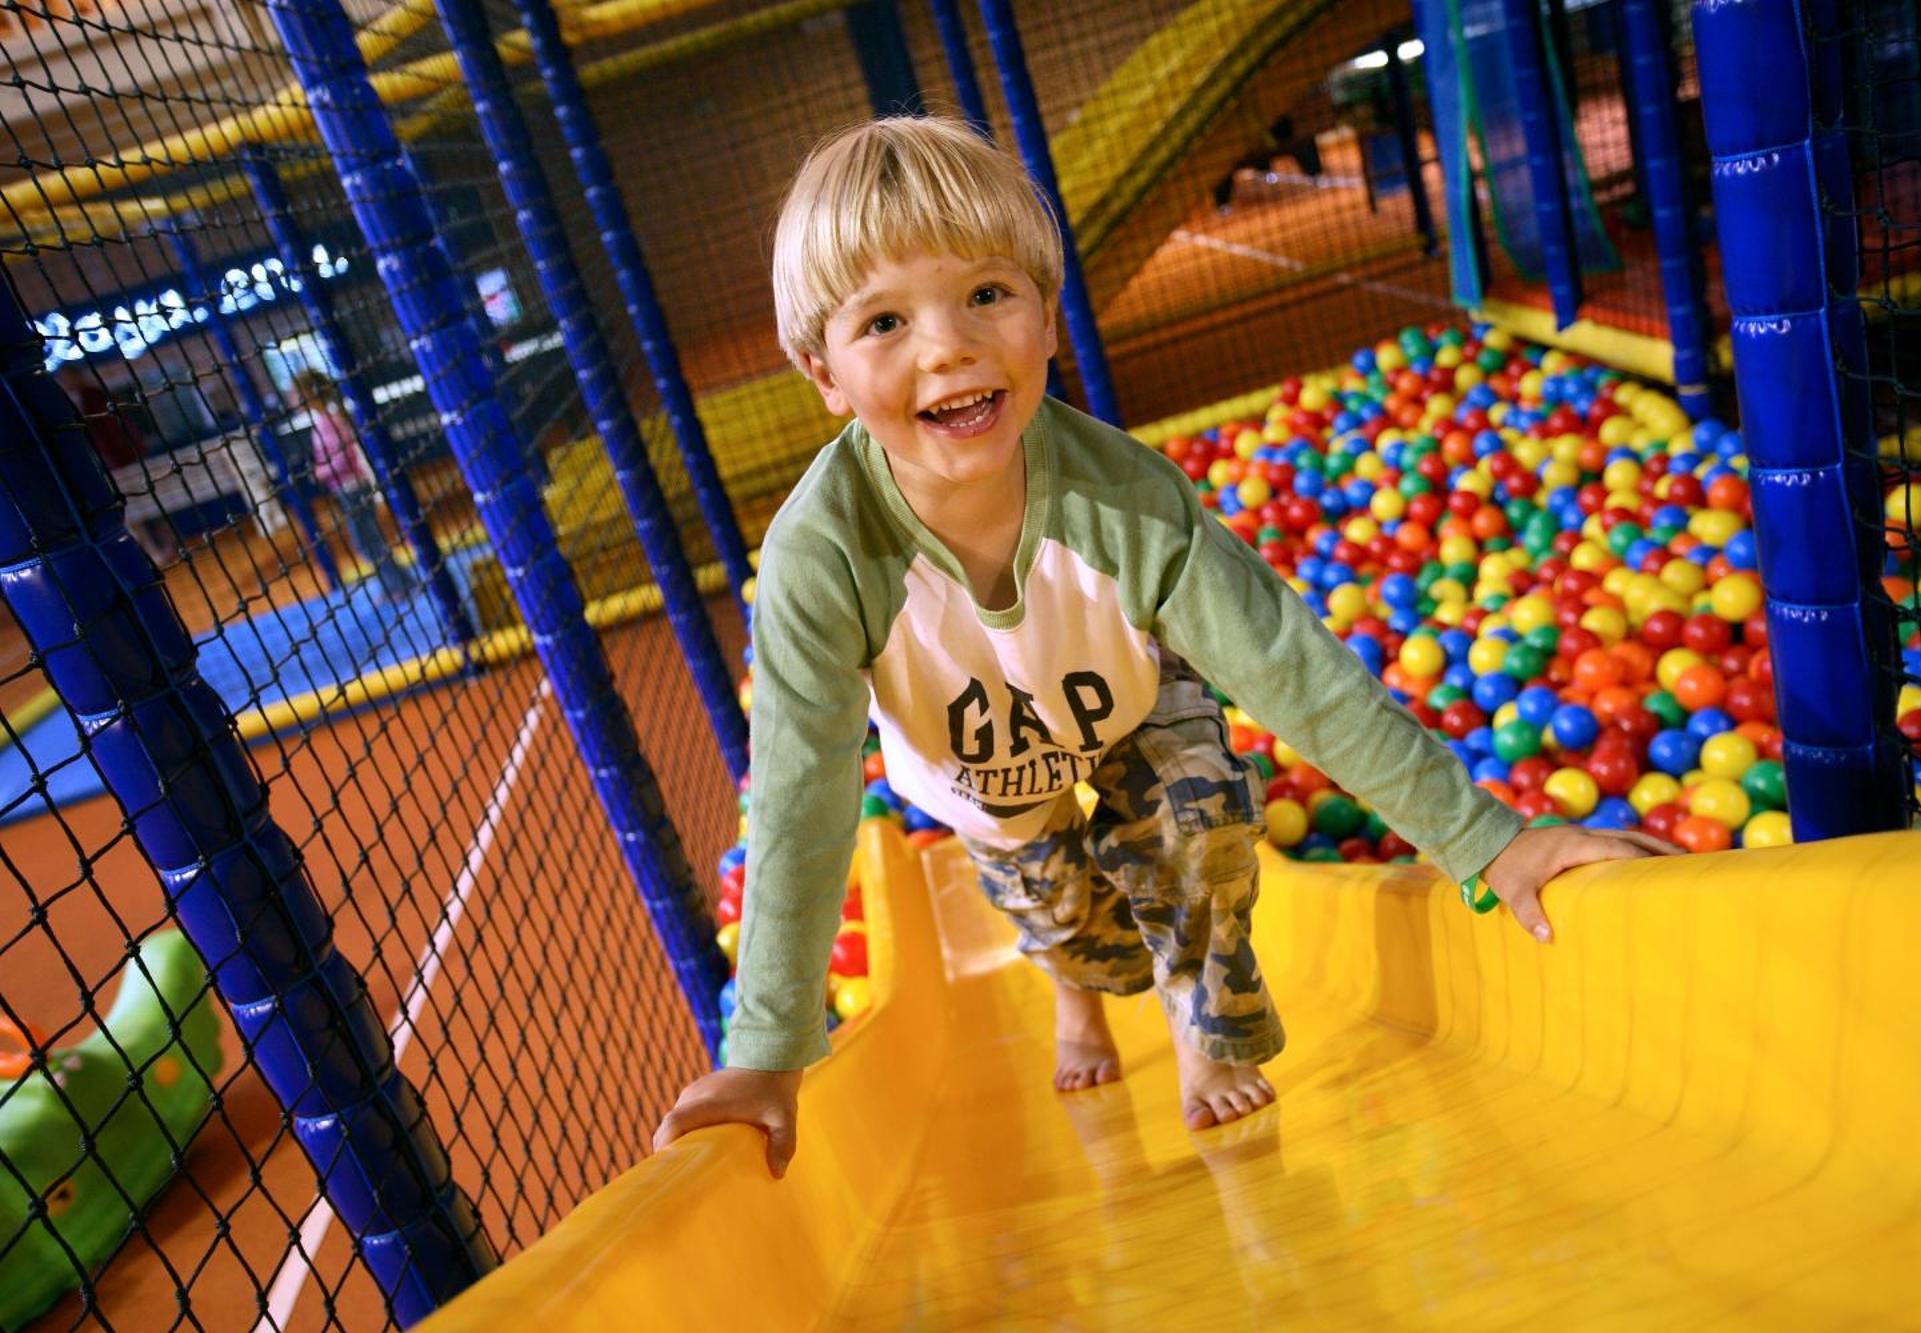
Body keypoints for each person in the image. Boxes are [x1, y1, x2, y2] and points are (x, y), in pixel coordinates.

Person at [655, 117, 1678, 1177]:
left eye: (986, 295)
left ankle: (1204, 1023)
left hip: (1124, 698)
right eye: (882, 322)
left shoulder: (1124, 498)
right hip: (982, 763)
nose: (947, 344)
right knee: (1077, 935)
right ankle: (1073, 996)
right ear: (820, 372)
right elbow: (799, 790)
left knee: (1198, 817)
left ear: (1045, 314)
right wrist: (768, 1051)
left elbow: (1288, 664)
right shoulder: (819, 557)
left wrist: (1486, 842)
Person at [296, 369, 413, 599]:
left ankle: (401, 585)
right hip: (351, 488)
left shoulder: (327, 422)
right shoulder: (329, 418)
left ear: (308, 394)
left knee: (367, 543)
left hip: (352, 488)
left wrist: (319, 473)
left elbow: (341, 457)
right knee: (369, 541)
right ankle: (397, 585)